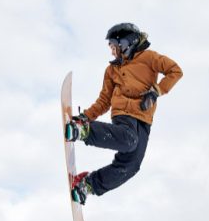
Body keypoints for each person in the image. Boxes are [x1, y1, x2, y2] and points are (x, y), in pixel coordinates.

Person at [64, 22, 183, 204]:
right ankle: (85, 131)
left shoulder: (149, 58)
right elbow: (104, 101)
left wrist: (156, 91)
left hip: (144, 119)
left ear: (126, 42)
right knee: (128, 140)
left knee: (132, 165)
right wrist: (85, 117)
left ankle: (88, 185)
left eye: (113, 46)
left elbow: (175, 71)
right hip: (124, 113)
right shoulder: (112, 70)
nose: (112, 52)